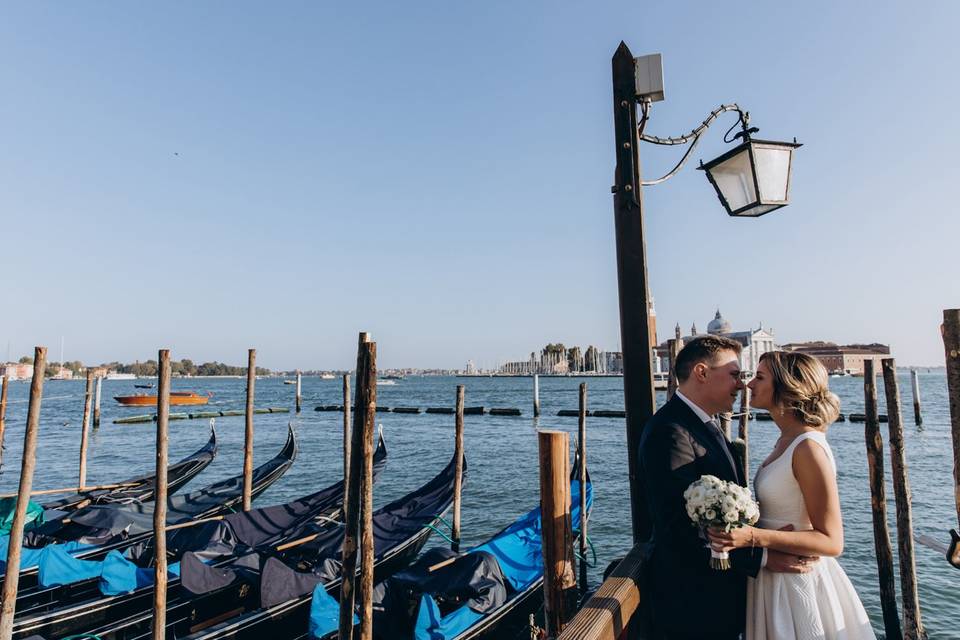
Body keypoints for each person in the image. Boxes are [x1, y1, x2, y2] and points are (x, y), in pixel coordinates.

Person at [639, 336, 810, 640]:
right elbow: (678, 528)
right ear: (701, 373)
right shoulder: (671, 433)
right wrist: (764, 558)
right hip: (694, 607)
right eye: (734, 374)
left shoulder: (701, 424)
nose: (742, 385)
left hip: (716, 602)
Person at [708, 351, 876, 639]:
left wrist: (752, 537)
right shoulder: (785, 441)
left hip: (797, 583)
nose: (749, 385)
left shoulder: (808, 447)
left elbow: (832, 541)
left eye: (760, 377)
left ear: (787, 388)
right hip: (772, 577)